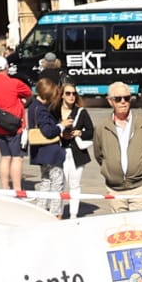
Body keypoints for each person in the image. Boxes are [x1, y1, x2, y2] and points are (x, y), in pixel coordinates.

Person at [91, 80, 142, 210]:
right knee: (120, 227)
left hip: (139, 187)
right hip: (115, 189)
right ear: (110, 101)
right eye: (118, 99)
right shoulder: (101, 127)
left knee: (139, 227)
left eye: (126, 98)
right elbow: (99, 154)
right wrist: (109, 169)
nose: (123, 102)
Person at [0, 54, 33, 195]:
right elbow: (29, 93)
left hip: (0, 125)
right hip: (16, 126)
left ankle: (5, 188)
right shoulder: (15, 83)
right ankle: (17, 189)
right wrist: (22, 103)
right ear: (6, 67)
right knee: (17, 158)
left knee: (5, 157)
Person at [25, 76, 69, 217]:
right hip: (50, 152)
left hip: (40, 152)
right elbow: (48, 131)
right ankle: (56, 213)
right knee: (57, 182)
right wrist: (62, 126)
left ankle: (41, 210)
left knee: (45, 181)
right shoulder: (42, 110)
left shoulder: (32, 107)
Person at [58, 82, 95, 218]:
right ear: (62, 95)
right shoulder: (54, 110)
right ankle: (59, 213)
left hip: (76, 153)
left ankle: (74, 215)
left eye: (74, 93)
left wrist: (80, 133)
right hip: (60, 152)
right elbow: (47, 130)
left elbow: (91, 131)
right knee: (59, 184)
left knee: (74, 185)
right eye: (68, 93)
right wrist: (60, 133)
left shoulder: (81, 112)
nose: (71, 96)